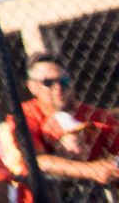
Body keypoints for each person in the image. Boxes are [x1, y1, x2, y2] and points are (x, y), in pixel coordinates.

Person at [19, 55, 119, 186]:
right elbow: (35, 160)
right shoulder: (24, 117)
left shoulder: (95, 115)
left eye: (64, 81)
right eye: (48, 83)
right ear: (32, 86)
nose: (58, 87)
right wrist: (90, 170)